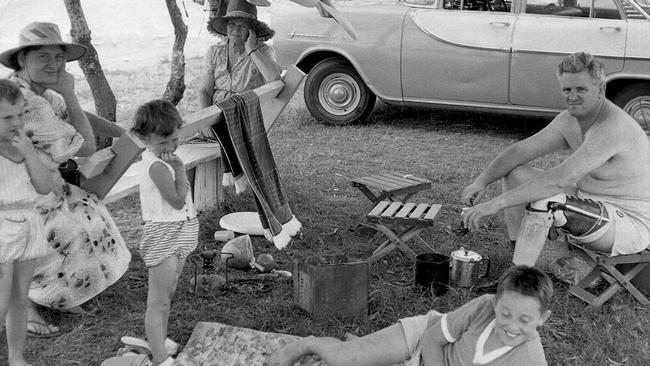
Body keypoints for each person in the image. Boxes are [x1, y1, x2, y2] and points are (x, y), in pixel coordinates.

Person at [0, 21, 131, 337]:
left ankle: (67, 292)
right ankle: (31, 300)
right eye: (43, 57)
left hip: (35, 182)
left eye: (58, 57)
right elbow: (84, 145)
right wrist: (70, 91)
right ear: (22, 61)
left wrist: (119, 131)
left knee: (91, 214)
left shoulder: (37, 92)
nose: (54, 64)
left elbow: (75, 116)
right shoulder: (27, 101)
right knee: (68, 226)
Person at [460, 52, 650, 269]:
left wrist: (494, 204)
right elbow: (521, 151)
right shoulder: (571, 119)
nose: (573, 96)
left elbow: (558, 180)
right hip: (590, 201)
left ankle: (521, 279)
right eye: (567, 89)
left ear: (601, 89)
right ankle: (523, 260)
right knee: (515, 174)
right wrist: (481, 181)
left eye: (581, 89)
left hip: (629, 221)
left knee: (550, 202)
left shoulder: (611, 126)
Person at [268, 265, 553, 366]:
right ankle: (308, 343)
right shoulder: (483, 306)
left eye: (525, 320)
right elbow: (432, 339)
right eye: (505, 313)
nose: (512, 325)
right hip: (424, 339)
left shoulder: (531, 359)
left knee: (362, 357)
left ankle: (370, 348)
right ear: (496, 302)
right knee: (346, 360)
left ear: (543, 318)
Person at [130, 99, 200, 366]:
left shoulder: (163, 159)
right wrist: (181, 169)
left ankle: (159, 339)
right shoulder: (157, 166)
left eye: (174, 139)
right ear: (143, 138)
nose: (170, 147)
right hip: (164, 234)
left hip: (181, 230)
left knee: (168, 294)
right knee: (158, 301)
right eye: (163, 143)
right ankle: (159, 358)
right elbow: (177, 200)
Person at [0, 79, 54, 366]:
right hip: (1, 228)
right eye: (7, 117)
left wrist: (31, 154)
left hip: (28, 223)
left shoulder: (25, 148)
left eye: (20, 115)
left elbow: (44, 186)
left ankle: (16, 357)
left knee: (19, 298)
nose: (16, 122)